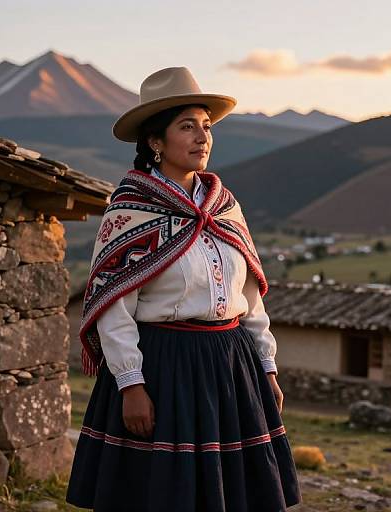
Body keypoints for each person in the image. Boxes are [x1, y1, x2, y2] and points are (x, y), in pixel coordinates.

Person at [66, 66, 302, 512]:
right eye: (187, 127)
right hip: (164, 366)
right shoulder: (131, 211)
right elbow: (114, 307)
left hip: (231, 365)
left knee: (233, 494)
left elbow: (248, 297)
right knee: (163, 493)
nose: (202, 137)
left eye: (207, 127)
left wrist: (266, 367)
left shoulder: (225, 208)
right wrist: (130, 384)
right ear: (156, 141)